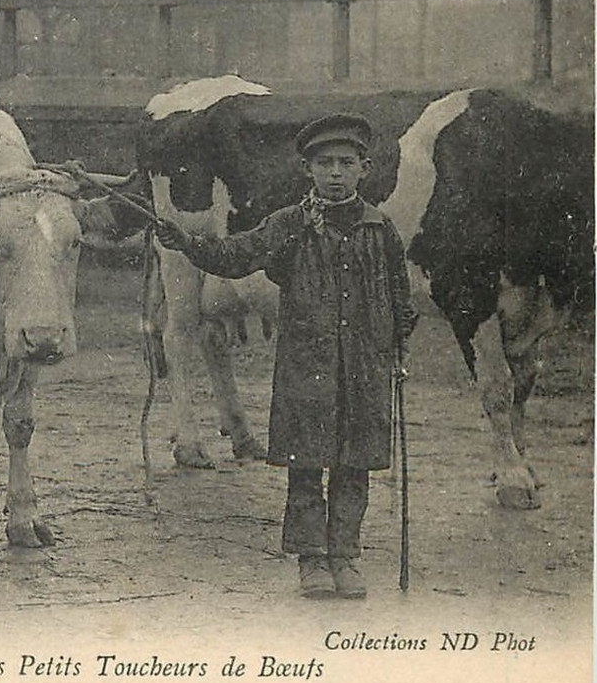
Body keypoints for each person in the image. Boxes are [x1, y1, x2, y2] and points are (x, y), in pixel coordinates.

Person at [153, 114, 416, 600]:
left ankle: (346, 556)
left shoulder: (381, 231)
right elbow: (235, 255)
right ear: (307, 169)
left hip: (363, 372)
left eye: (345, 163)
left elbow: (400, 299)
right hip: (306, 370)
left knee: (354, 467)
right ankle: (312, 560)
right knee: (307, 466)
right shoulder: (289, 226)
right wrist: (187, 242)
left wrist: (398, 349)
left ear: (365, 168)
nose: (335, 173)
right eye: (323, 164)